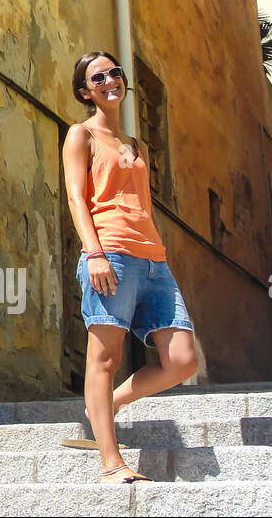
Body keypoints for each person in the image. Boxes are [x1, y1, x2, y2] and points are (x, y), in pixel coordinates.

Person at [60, 50, 199, 483]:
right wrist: (94, 252)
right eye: (98, 77)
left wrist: (157, 250)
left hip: (152, 259)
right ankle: (110, 463)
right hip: (111, 254)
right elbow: (76, 199)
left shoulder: (135, 145)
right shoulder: (81, 135)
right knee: (105, 358)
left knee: (183, 360)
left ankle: (112, 403)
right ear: (86, 91)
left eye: (114, 73)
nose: (109, 80)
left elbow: (141, 205)